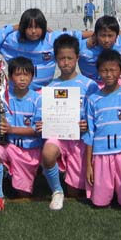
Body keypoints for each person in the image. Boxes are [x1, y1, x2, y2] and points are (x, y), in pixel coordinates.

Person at [38, 34, 99, 210]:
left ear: (77, 58)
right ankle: (57, 191)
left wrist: (86, 124)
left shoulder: (89, 85)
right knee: (48, 152)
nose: (66, 62)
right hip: (59, 136)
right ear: (56, 59)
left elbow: (94, 114)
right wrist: (44, 125)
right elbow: (45, 116)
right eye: (61, 58)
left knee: (75, 192)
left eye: (69, 58)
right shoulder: (50, 87)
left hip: (79, 139)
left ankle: (70, 178)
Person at [84, 49, 121, 208]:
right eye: (104, 70)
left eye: (112, 70)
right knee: (99, 203)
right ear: (98, 72)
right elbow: (90, 134)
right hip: (101, 154)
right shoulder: (93, 99)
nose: (108, 74)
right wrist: (89, 165)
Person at [0, 57, 42, 213]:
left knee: (23, 194)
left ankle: (15, 176)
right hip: (8, 146)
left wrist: (11, 130)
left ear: (32, 76)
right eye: (18, 74)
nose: (22, 78)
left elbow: (38, 129)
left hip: (29, 150)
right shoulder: (1, 98)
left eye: (26, 74)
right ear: (10, 77)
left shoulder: (38, 99)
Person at [0, 8, 87, 91]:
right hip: (18, 93)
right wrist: (14, 27)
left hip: (45, 92)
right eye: (29, 27)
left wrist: (92, 38)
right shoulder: (13, 40)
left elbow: (79, 34)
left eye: (37, 27)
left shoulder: (51, 39)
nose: (33, 31)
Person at [78, 15, 121, 86]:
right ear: (96, 35)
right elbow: (70, 35)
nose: (106, 40)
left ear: (117, 36)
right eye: (103, 35)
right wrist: (89, 34)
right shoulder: (85, 46)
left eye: (110, 36)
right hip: (88, 84)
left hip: (114, 83)